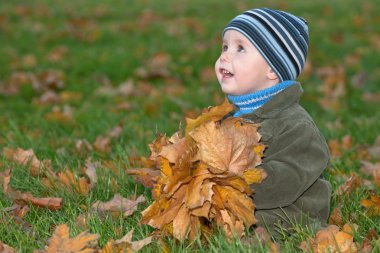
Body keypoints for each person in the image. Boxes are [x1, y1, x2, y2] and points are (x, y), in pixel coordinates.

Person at [214, 7, 331, 239]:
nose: (225, 56)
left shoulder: (296, 126)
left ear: (272, 71)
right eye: (225, 47)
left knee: (256, 233)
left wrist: (232, 184)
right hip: (236, 201)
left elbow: (286, 179)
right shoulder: (229, 118)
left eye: (240, 49)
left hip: (289, 211)